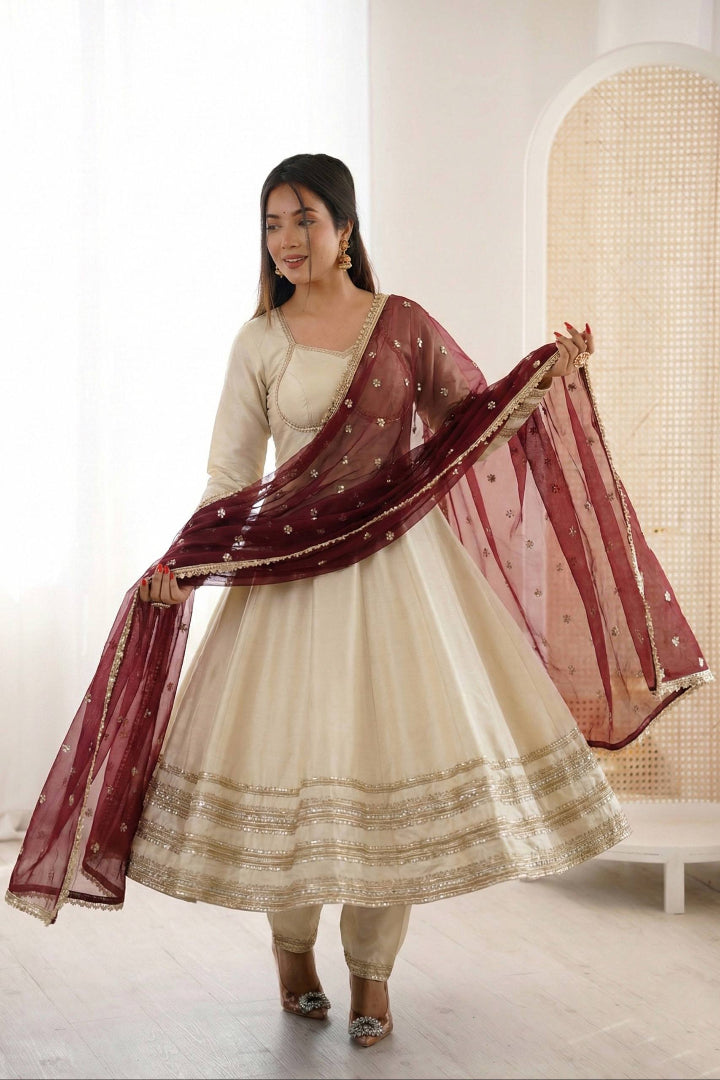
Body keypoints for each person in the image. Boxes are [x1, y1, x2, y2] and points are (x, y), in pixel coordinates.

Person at [6, 153, 711, 1049]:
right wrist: (186, 560)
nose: (287, 240)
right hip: (288, 587)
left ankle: (374, 978)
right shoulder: (258, 341)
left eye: (304, 220)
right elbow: (230, 476)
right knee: (289, 777)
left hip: (403, 581)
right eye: (272, 224)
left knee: (391, 779)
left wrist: (547, 374)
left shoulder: (403, 325)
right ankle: (293, 956)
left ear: (346, 229)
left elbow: (472, 424)